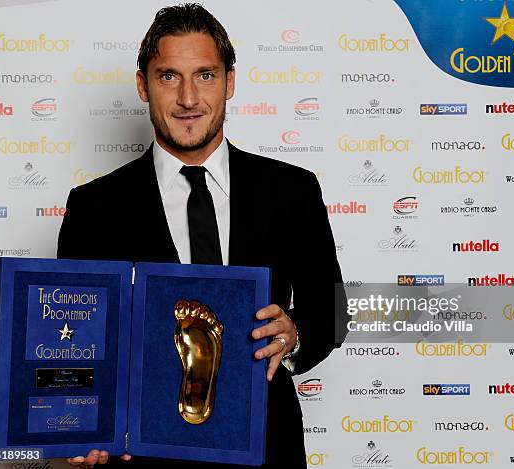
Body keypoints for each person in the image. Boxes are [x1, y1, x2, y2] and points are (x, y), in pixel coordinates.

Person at [58, 3, 344, 468]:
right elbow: (77, 339)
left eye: (205, 76)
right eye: (169, 76)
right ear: (142, 85)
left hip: (268, 447)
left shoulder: (292, 190)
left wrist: (295, 333)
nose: (189, 98)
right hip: (143, 457)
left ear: (230, 82)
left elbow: (331, 309)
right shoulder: (95, 206)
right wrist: (84, 425)